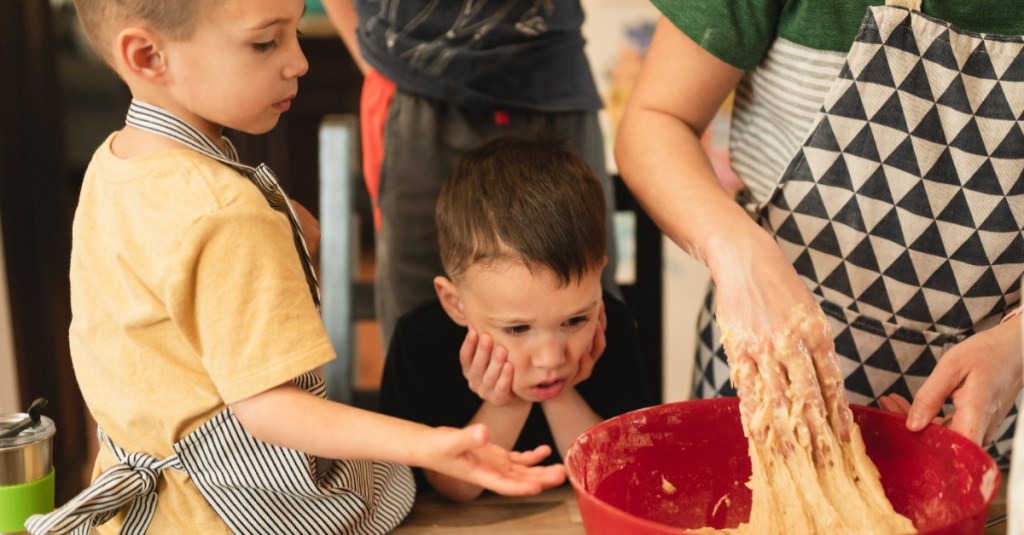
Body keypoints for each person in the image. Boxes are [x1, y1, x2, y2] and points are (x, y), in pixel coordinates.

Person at [25, 1, 566, 533]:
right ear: (148, 56)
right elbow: (271, 411)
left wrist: (281, 231)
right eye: (266, 41)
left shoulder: (116, 162)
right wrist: (427, 444)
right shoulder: (225, 215)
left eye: (294, 33)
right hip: (227, 515)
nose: (299, 62)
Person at [616, 0, 1024, 466]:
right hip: (769, 372)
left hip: (1001, 406)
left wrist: (1017, 345)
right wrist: (737, 252)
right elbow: (655, 118)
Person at [319, 0, 620, 351]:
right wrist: (379, 63)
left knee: (586, 318)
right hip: (413, 86)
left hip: (553, 81)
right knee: (418, 329)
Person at [377, 136, 655, 502]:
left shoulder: (610, 324)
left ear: (599, 280)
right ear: (455, 303)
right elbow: (452, 489)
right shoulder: (421, 342)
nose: (551, 358)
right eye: (518, 329)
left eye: (574, 321)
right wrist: (506, 401)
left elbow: (617, 482)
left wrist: (560, 395)